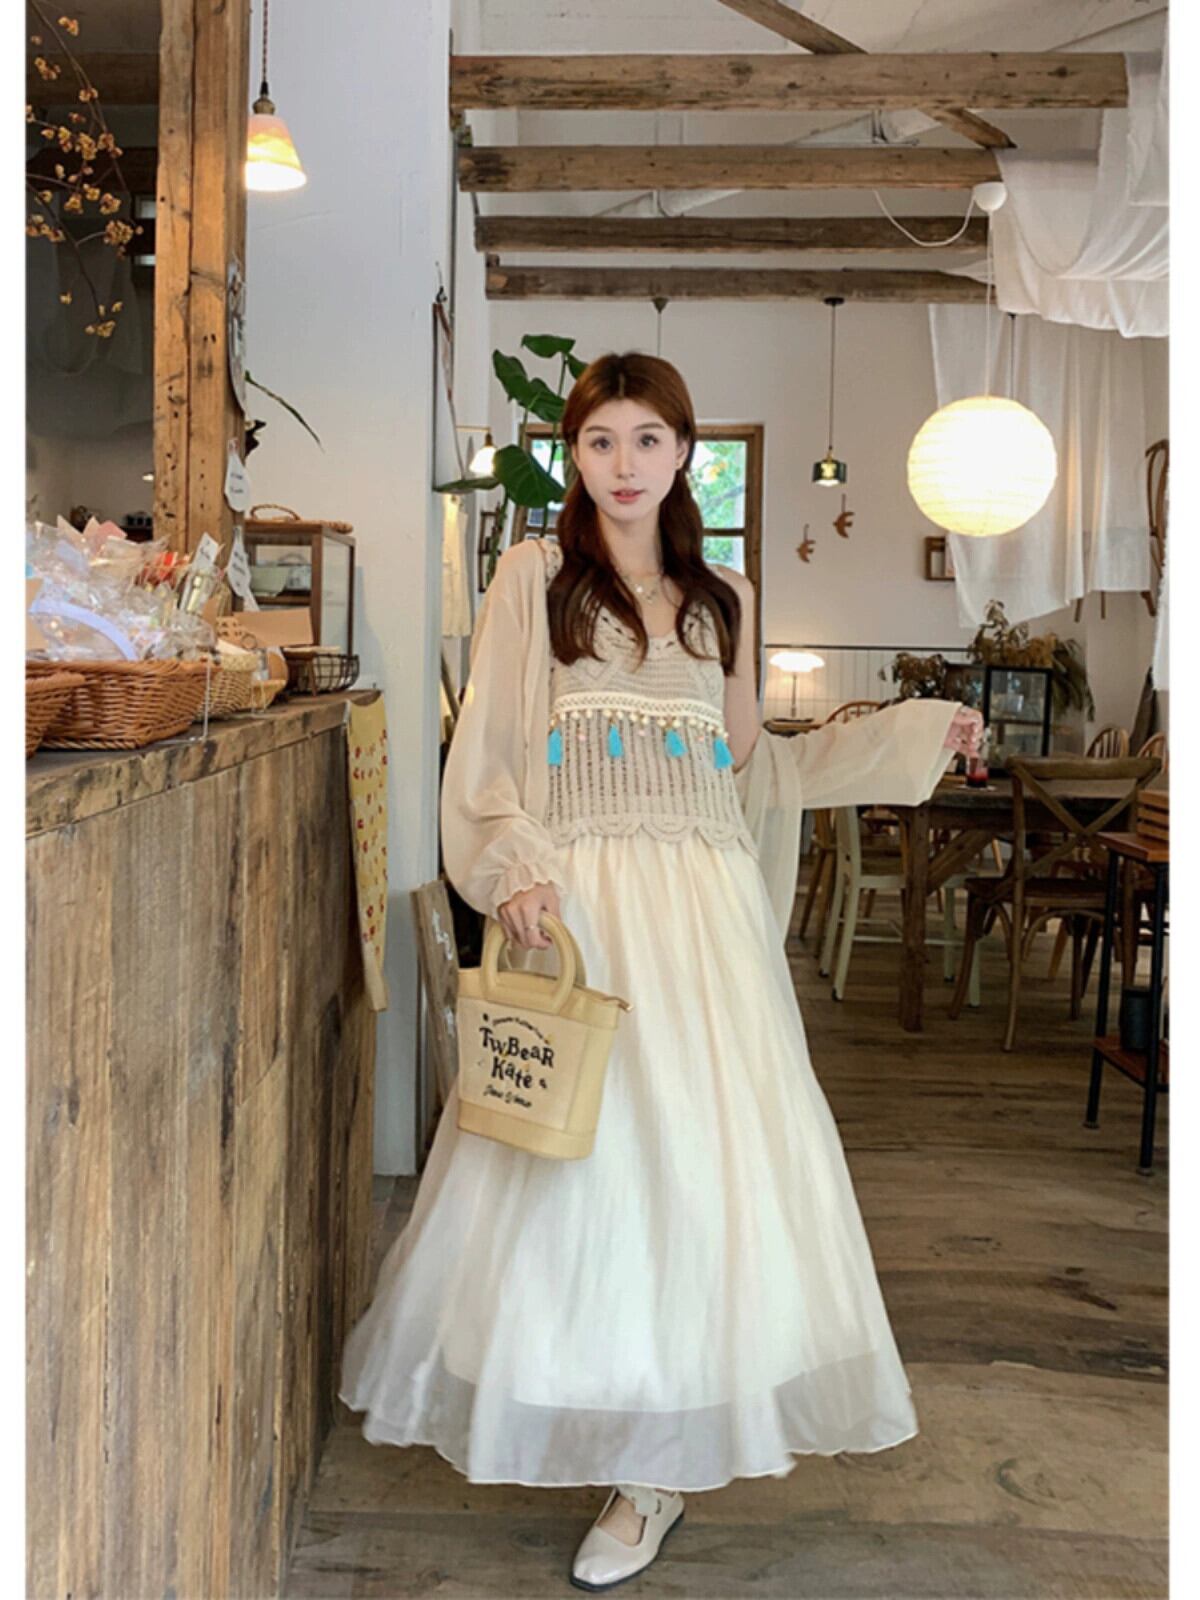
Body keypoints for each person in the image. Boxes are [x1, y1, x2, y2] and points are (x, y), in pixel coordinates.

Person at [339, 352, 982, 1592]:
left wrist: (912, 735)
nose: (623, 465)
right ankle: (584, 1396)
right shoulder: (534, 578)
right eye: (600, 441)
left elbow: (751, 767)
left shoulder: (726, 595)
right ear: (574, 455)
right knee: (580, 1169)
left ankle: (654, 1471)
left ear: (685, 452)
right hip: (582, 902)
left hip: (705, 922)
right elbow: (486, 755)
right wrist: (511, 869)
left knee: (698, 1170)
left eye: (647, 439)